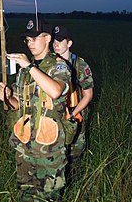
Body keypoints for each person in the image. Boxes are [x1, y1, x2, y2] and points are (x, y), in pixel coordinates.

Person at [0, 19, 71, 202]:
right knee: (25, 195)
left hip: (49, 149)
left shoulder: (59, 66)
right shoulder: (24, 71)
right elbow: (19, 105)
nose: (29, 43)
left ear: (47, 38)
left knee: (48, 197)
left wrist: (29, 66)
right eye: (27, 39)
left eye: (34, 38)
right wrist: (7, 97)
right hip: (25, 147)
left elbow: (55, 91)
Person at [52, 25, 94, 182]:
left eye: (60, 41)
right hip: (56, 113)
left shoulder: (80, 65)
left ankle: (74, 184)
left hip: (75, 114)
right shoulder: (50, 63)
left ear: (69, 43)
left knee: (75, 153)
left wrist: (73, 113)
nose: (56, 44)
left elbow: (88, 95)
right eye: (54, 40)